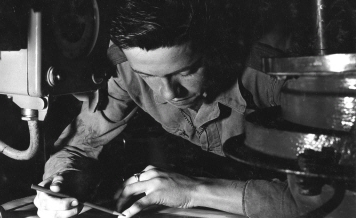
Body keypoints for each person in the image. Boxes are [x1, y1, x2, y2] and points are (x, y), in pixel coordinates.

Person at [33, 1, 312, 217]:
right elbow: (77, 147)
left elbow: (334, 199)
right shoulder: (124, 67)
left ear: (214, 47)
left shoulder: (278, 74)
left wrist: (192, 191)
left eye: (187, 71)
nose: (168, 93)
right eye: (148, 76)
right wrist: (62, 183)